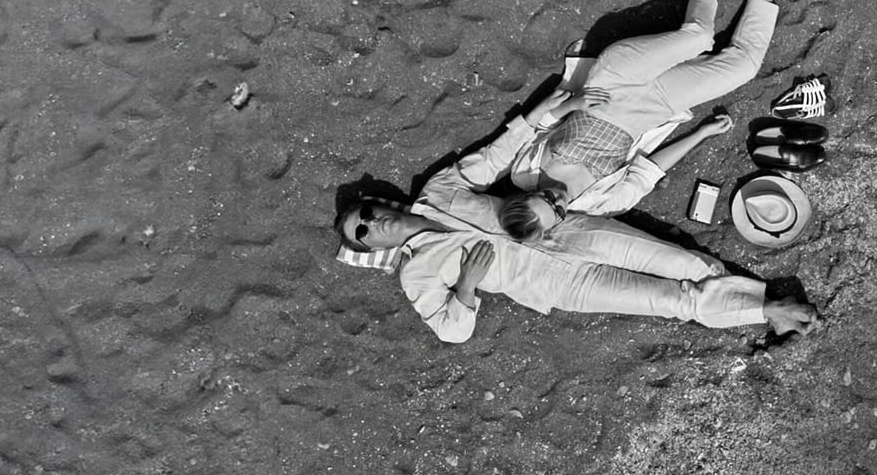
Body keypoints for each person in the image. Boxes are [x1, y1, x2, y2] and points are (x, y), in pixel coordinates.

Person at [334, 89, 820, 344]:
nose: (371, 223)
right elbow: (451, 330)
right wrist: (465, 286)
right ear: (373, 248)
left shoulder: (437, 191)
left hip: (571, 230)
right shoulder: (416, 274)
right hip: (557, 285)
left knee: (686, 262)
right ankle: (767, 311)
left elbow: (493, 157)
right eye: (363, 232)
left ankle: (762, 305)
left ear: (382, 205)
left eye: (367, 213)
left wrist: (534, 117)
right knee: (671, 299)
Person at [491, 0, 811, 241]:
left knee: (700, 37)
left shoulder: (524, 171)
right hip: (655, 105)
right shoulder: (600, 204)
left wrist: (571, 106)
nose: (557, 200)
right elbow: (650, 169)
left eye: (545, 198)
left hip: (611, 82)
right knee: (743, 68)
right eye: (558, 211)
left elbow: (539, 123)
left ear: (525, 195)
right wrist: (701, 134)